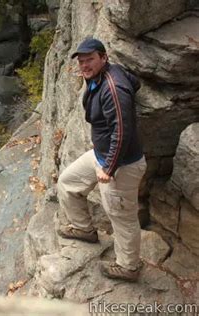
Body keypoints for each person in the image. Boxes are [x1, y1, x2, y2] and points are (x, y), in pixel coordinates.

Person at [56, 38, 147, 282]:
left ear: (103, 58)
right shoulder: (101, 76)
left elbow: (123, 131)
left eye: (90, 60)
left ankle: (129, 267)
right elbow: (135, 83)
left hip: (120, 166)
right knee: (67, 183)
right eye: (81, 61)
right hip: (101, 156)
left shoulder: (113, 88)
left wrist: (109, 167)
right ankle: (84, 229)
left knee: (121, 217)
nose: (84, 65)